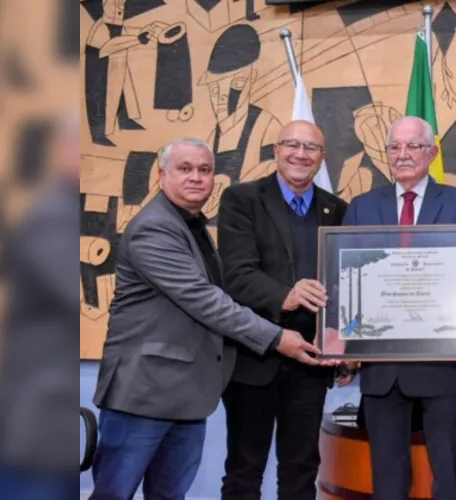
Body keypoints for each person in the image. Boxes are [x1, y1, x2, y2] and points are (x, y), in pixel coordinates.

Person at [90, 137, 336, 500]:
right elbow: (207, 301)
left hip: (186, 394)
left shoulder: (191, 225)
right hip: (143, 394)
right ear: (162, 175)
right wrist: (277, 338)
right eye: (185, 169)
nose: (196, 178)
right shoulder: (154, 228)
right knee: (115, 493)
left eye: (204, 170)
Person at [341, 116, 456, 500]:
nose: (403, 155)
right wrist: (343, 343)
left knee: (451, 476)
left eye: (414, 146)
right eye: (395, 147)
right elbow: (348, 280)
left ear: (432, 152)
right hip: (382, 368)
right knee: (387, 479)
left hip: (445, 362)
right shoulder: (361, 207)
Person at [216, 121, 350, 499]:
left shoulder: (337, 210)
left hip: (311, 363)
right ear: (276, 150)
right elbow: (236, 275)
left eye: (311, 148)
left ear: (322, 157)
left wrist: (345, 349)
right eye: (292, 144)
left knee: (301, 470)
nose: (301, 154)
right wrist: (285, 296)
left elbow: (345, 285)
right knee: (244, 469)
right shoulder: (241, 199)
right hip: (254, 358)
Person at [0, 112, 80, 500]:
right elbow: (77, 296)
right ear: (64, 152)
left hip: (53, 431)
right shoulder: (51, 219)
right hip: (37, 433)